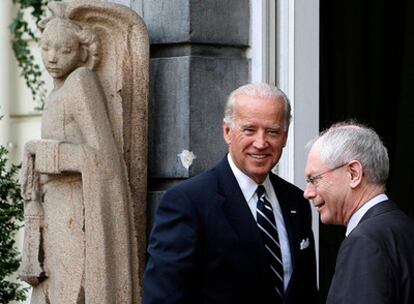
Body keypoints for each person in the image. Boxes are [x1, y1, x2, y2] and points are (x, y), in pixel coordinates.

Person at [143, 83, 318, 304]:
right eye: (249, 130)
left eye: (272, 132)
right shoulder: (188, 202)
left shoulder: (296, 201)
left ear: (285, 137)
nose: (261, 143)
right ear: (227, 132)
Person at [19, 4, 139, 303]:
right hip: (54, 208)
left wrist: (48, 154)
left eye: (63, 50)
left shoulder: (81, 83)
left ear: (82, 52)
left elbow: (102, 158)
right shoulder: (56, 91)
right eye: (46, 48)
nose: (51, 58)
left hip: (75, 207)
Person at [304, 121, 414, 303]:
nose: (308, 192)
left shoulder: (364, 241)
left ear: (354, 174)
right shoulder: (405, 228)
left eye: (314, 179)